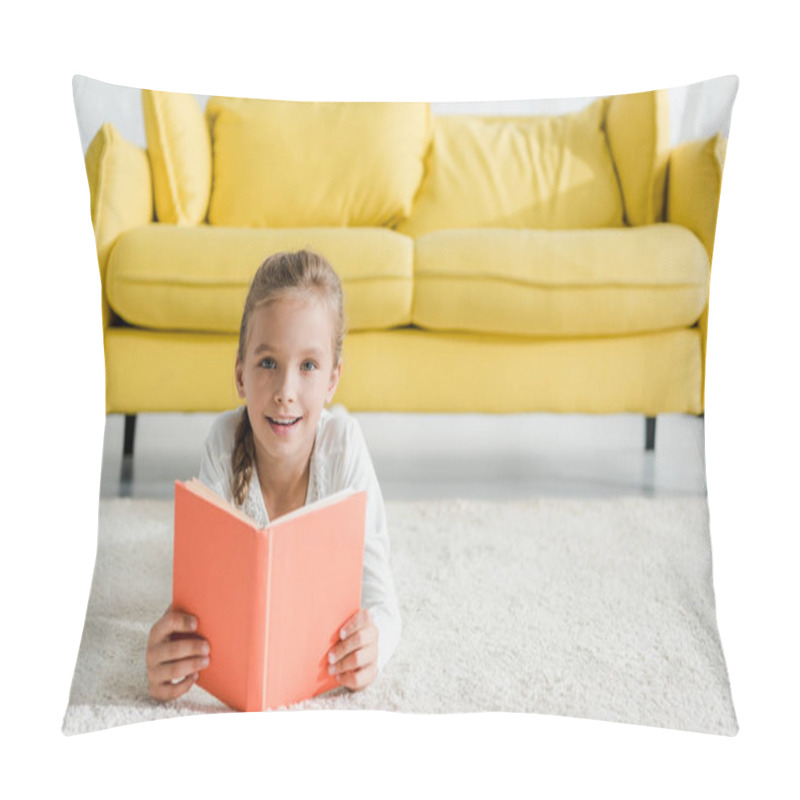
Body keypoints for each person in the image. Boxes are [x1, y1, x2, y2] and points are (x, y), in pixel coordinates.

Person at [146, 249, 401, 702]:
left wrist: (371, 649)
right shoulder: (224, 443)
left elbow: (383, 602)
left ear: (333, 380)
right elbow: (198, 606)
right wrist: (168, 653)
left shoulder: (344, 446)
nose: (285, 392)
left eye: (308, 366)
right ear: (240, 374)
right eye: (267, 363)